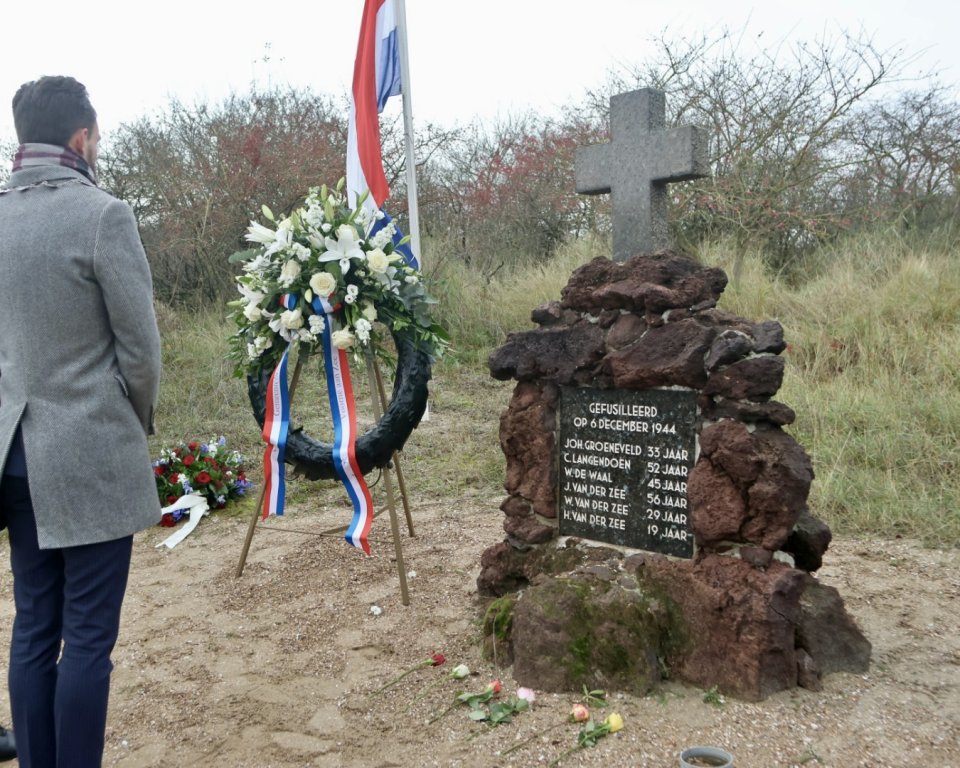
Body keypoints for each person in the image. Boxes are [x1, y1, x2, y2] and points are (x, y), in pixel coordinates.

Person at [0, 76, 162, 767]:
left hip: (13, 452)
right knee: (90, 635)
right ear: (81, 138)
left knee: (35, 621)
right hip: (89, 449)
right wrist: (135, 419)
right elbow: (141, 349)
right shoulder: (103, 215)